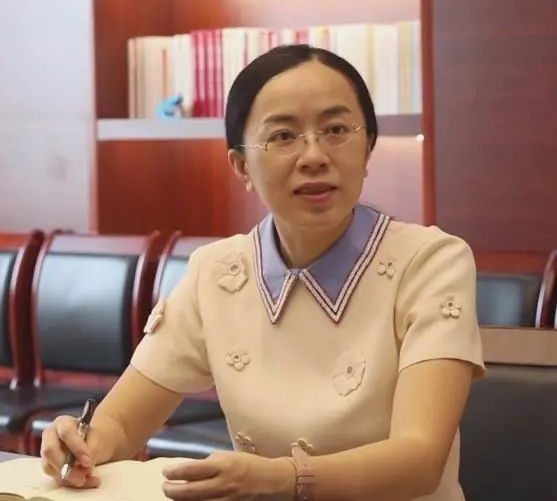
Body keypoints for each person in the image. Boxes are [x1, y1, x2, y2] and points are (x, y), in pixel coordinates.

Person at [40, 44, 484, 501]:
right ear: (241, 166)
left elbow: (420, 459)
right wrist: (81, 442)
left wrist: (281, 479)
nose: (314, 156)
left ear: (368, 146)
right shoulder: (216, 274)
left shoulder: (430, 262)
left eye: (336, 130)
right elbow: (120, 422)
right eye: (283, 136)